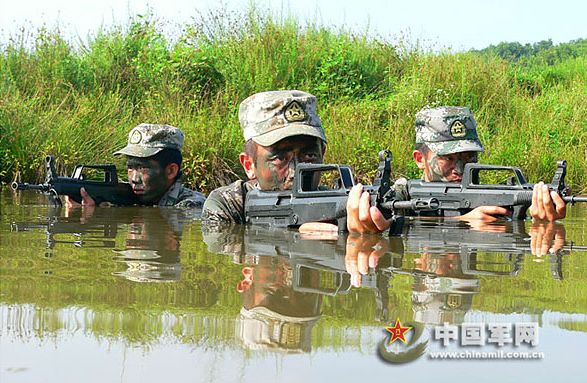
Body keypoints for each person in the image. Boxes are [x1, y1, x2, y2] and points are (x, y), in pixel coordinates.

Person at [202, 90, 390, 233]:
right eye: (280, 158)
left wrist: (356, 238)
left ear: (322, 153)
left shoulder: (339, 204)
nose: (295, 172)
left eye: (309, 157)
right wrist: (294, 237)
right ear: (249, 165)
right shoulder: (228, 205)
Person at [395, 106, 566, 221]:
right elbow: (391, 231)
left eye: (469, 157)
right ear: (419, 159)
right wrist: (462, 221)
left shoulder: (488, 201)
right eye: (448, 158)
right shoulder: (400, 197)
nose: (460, 169)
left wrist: (541, 223)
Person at [65, 123, 206, 208]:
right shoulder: (128, 197)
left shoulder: (194, 205)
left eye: (142, 168)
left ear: (170, 171)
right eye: (130, 168)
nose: (134, 178)